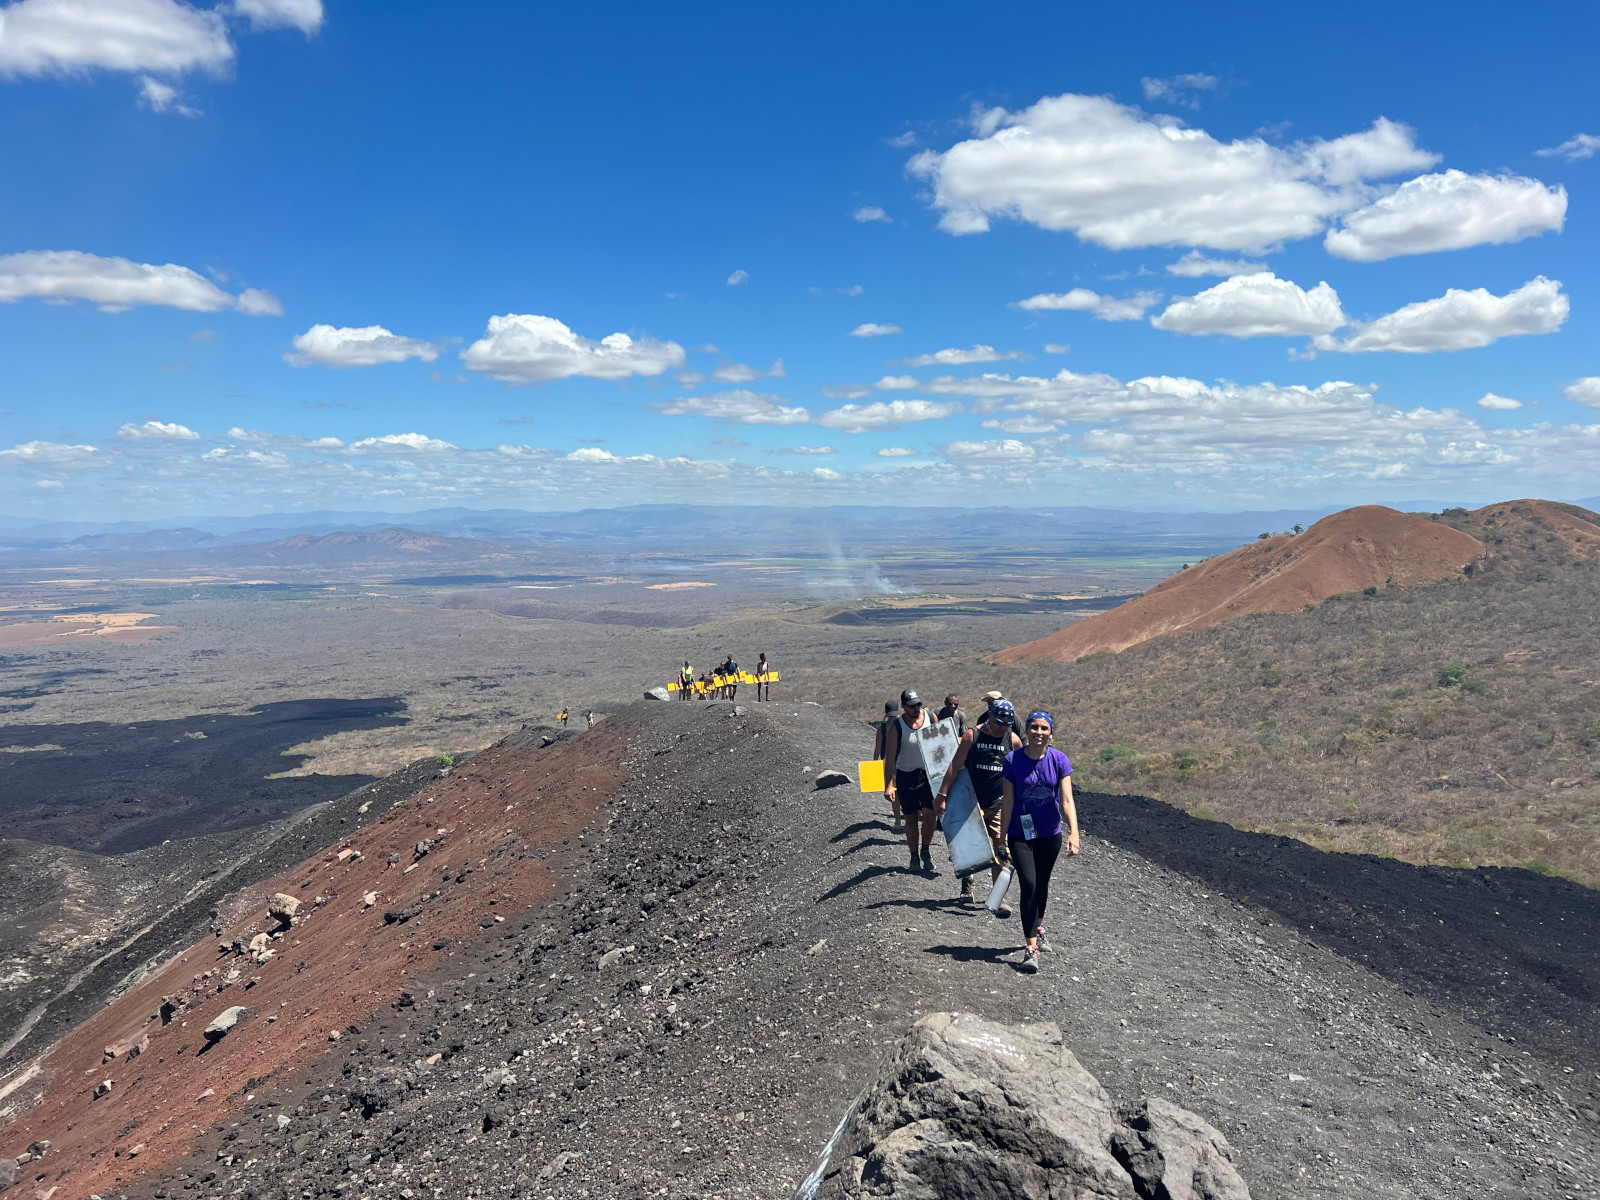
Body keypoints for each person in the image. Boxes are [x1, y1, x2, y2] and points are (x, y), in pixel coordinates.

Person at [1000, 710, 1079, 974]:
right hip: (1020, 833)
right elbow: (1008, 800)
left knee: (1042, 884)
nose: (1038, 732)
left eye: (1044, 728)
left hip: (1049, 834)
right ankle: (1030, 947)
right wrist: (1002, 837)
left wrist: (1074, 833)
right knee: (1029, 885)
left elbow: (1067, 800)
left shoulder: (1059, 760)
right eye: (1034, 727)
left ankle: (1039, 925)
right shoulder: (1013, 760)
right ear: (1027, 730)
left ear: (1051, 733)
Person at [936, 698, 1020, 911]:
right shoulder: (972, 736)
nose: (1002, 729)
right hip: (971, 803)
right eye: (999, 723)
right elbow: (955, 766)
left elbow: (1020, 774)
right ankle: (967, 886)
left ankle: (998, 899)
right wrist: (942, 795)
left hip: (1000, 804)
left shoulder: (1014, 741)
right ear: (990, 715)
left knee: (1002, 851)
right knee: (969, 847)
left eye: (1007, 725)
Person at [881, 689, 940, 874]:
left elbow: (942, 746)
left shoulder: (931, 718)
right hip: (906, 775)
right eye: (912, 706)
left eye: (919, 704)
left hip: (929, 775)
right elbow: (890, 758)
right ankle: (914, 855)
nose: (916, 709)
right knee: (912, 818)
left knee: (930, 815)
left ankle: (926, 850)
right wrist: (889, 784)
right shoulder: (896, 727)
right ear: (904, 707)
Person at [871, 700, 902, 830]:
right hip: (889, 764)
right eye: (890, 715)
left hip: (904, 762)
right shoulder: (882, 729)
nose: (892, 717)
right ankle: (898, 821)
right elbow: (878, 747)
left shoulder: (904, 725)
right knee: (894, 793)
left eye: (894, 714)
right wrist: (875, 764)